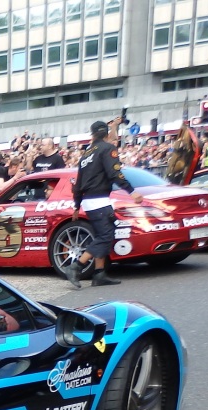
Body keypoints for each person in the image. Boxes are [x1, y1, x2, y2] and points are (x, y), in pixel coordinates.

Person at [66, 119, 143, 288]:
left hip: (88, 201)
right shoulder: (107, 149)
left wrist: (77, 206)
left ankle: (99, 274)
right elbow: (115, 173)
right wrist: (132, 191)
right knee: (105, 236)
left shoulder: (86, 154)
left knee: (102, 235)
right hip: (100, 200)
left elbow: (78, 184)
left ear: (92, 134)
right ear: (106, 134)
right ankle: (76, 266)